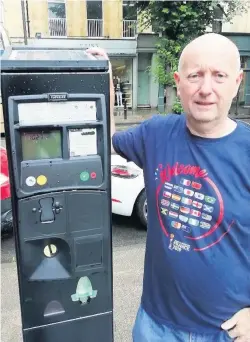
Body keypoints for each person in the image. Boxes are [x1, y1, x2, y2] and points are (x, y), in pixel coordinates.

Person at [87, 33, 250, 342]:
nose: (205, 89)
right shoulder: (156, 134)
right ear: (178, 81)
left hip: (227, 332)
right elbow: (105, 138)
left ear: (237, 82)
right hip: (155, 328)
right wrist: (105, 79)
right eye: (195, 75)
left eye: (219, 76)